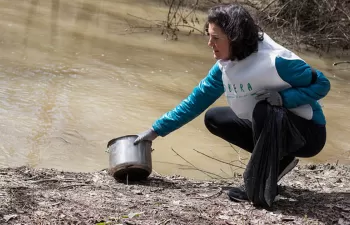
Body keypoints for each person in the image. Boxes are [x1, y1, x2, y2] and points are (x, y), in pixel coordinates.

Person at [133, 3, 330, 202]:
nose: (210, 43)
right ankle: (279, 160)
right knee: (214, 118)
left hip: (309, 135)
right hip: (278, 129)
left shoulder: (276, 61)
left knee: (264, 109)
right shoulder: (224, 67)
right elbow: (195, 101)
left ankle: (259, 186)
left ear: (235, 38)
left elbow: (323, 84)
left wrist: (283, 99)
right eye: (208, 35)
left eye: (216, 38)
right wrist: (155, 130)